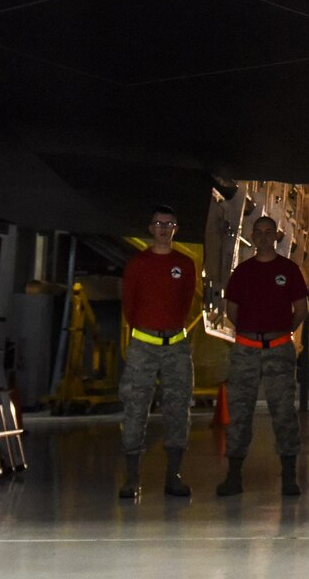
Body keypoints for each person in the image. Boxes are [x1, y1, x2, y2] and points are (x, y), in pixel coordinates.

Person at [219, 215, 309, 499]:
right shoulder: (242, 272)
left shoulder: (289, 270)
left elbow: (301, 309)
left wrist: (282, 333)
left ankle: (289, 476)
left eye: (267, 231)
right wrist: (252, 333)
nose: (262, 236)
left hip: (279, 349)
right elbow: (231, 311)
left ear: (276, 236)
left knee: (284, 412)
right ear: (253, 237)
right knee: (239, 413)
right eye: (257, 232)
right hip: (246, 348)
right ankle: (234, 475)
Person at [117, 204, 199, 499]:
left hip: (175, 345)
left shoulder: (186, 264)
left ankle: (173, 476)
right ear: (151, 228)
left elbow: (186, 302)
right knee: (135, 408)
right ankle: (131, 478)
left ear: (175, 229)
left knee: (179, 410)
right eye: (159, 224)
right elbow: (130, 305)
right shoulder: (137, 264)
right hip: (144, 346)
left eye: (170, 224)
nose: (164, 229)